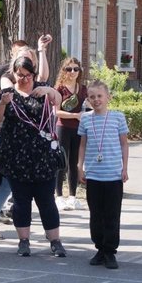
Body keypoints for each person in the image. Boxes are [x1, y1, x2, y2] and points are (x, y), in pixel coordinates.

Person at [0, 56, 66, 257]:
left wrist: (50, 91)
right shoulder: (7, 94)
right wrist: (2, 104)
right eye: (20, 75)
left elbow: (58, 101)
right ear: (13, 74)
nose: (24, 79)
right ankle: (23, 241)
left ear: (33, 74)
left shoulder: (42, 89)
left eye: (27, 75)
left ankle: (55, 241)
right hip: (16, 157)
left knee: (46, 201)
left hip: (43, 158)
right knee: (21, 202)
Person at [0, 44, 50, 239]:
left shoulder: (37, 84)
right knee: (5, 185)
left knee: (34, 189)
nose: (24, 76)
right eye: (22, 58)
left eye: (30, 60)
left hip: (33, 147)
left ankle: (48, 229)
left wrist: (42, 51)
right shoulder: (7, 78)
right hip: (12, 143)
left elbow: (44, 79)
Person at [77, 80, 129, 269]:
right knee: (96, 214)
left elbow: (124, 144)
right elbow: (82, 145)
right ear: (88, 99)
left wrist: (125, 168)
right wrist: (80, 166)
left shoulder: (118, 117)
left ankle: (110, 251)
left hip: (113, 175)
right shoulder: (85, 119)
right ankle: (99, 248)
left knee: (112, 214)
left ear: (108, 97)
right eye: (92, 97)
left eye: (100, 96)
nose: (96, 100)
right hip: (94, 175)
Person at [54, 57, 88, 211]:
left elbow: (89, 106)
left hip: (78, 129)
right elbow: (56, 111)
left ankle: (73, 197)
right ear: (64, 71)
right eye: (69, 69)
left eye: (76, 69)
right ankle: (59, 196)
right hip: (63, 128)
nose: (73, 72)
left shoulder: (83, 89)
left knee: (74, 163)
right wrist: (75, 116)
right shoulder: (59, 89)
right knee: (62, 161)